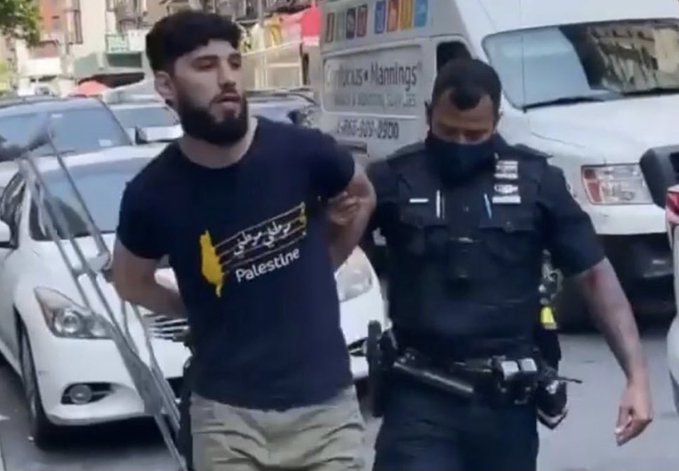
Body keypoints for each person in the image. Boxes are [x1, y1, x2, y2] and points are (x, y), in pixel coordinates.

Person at [111, 10, 375, 471]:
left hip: (326, 411)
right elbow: (131, 282)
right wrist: (197, 308)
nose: (228, 78)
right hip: (225, 418)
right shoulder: (152, 193)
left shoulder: (303, 152)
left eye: (234, 63)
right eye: (205, 66)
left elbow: (363, 194)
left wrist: (325, 261)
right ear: (166, 85)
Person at [363, 58, 653, 471]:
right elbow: (332, 257)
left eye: (475, 135)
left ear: (497, 122)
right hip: (419, 396)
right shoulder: (393, 179)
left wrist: (637, 377)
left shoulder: (537, 182)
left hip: (506, 404)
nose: (461, 145)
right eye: (448, 131)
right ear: (428, 115)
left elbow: (594, 275)